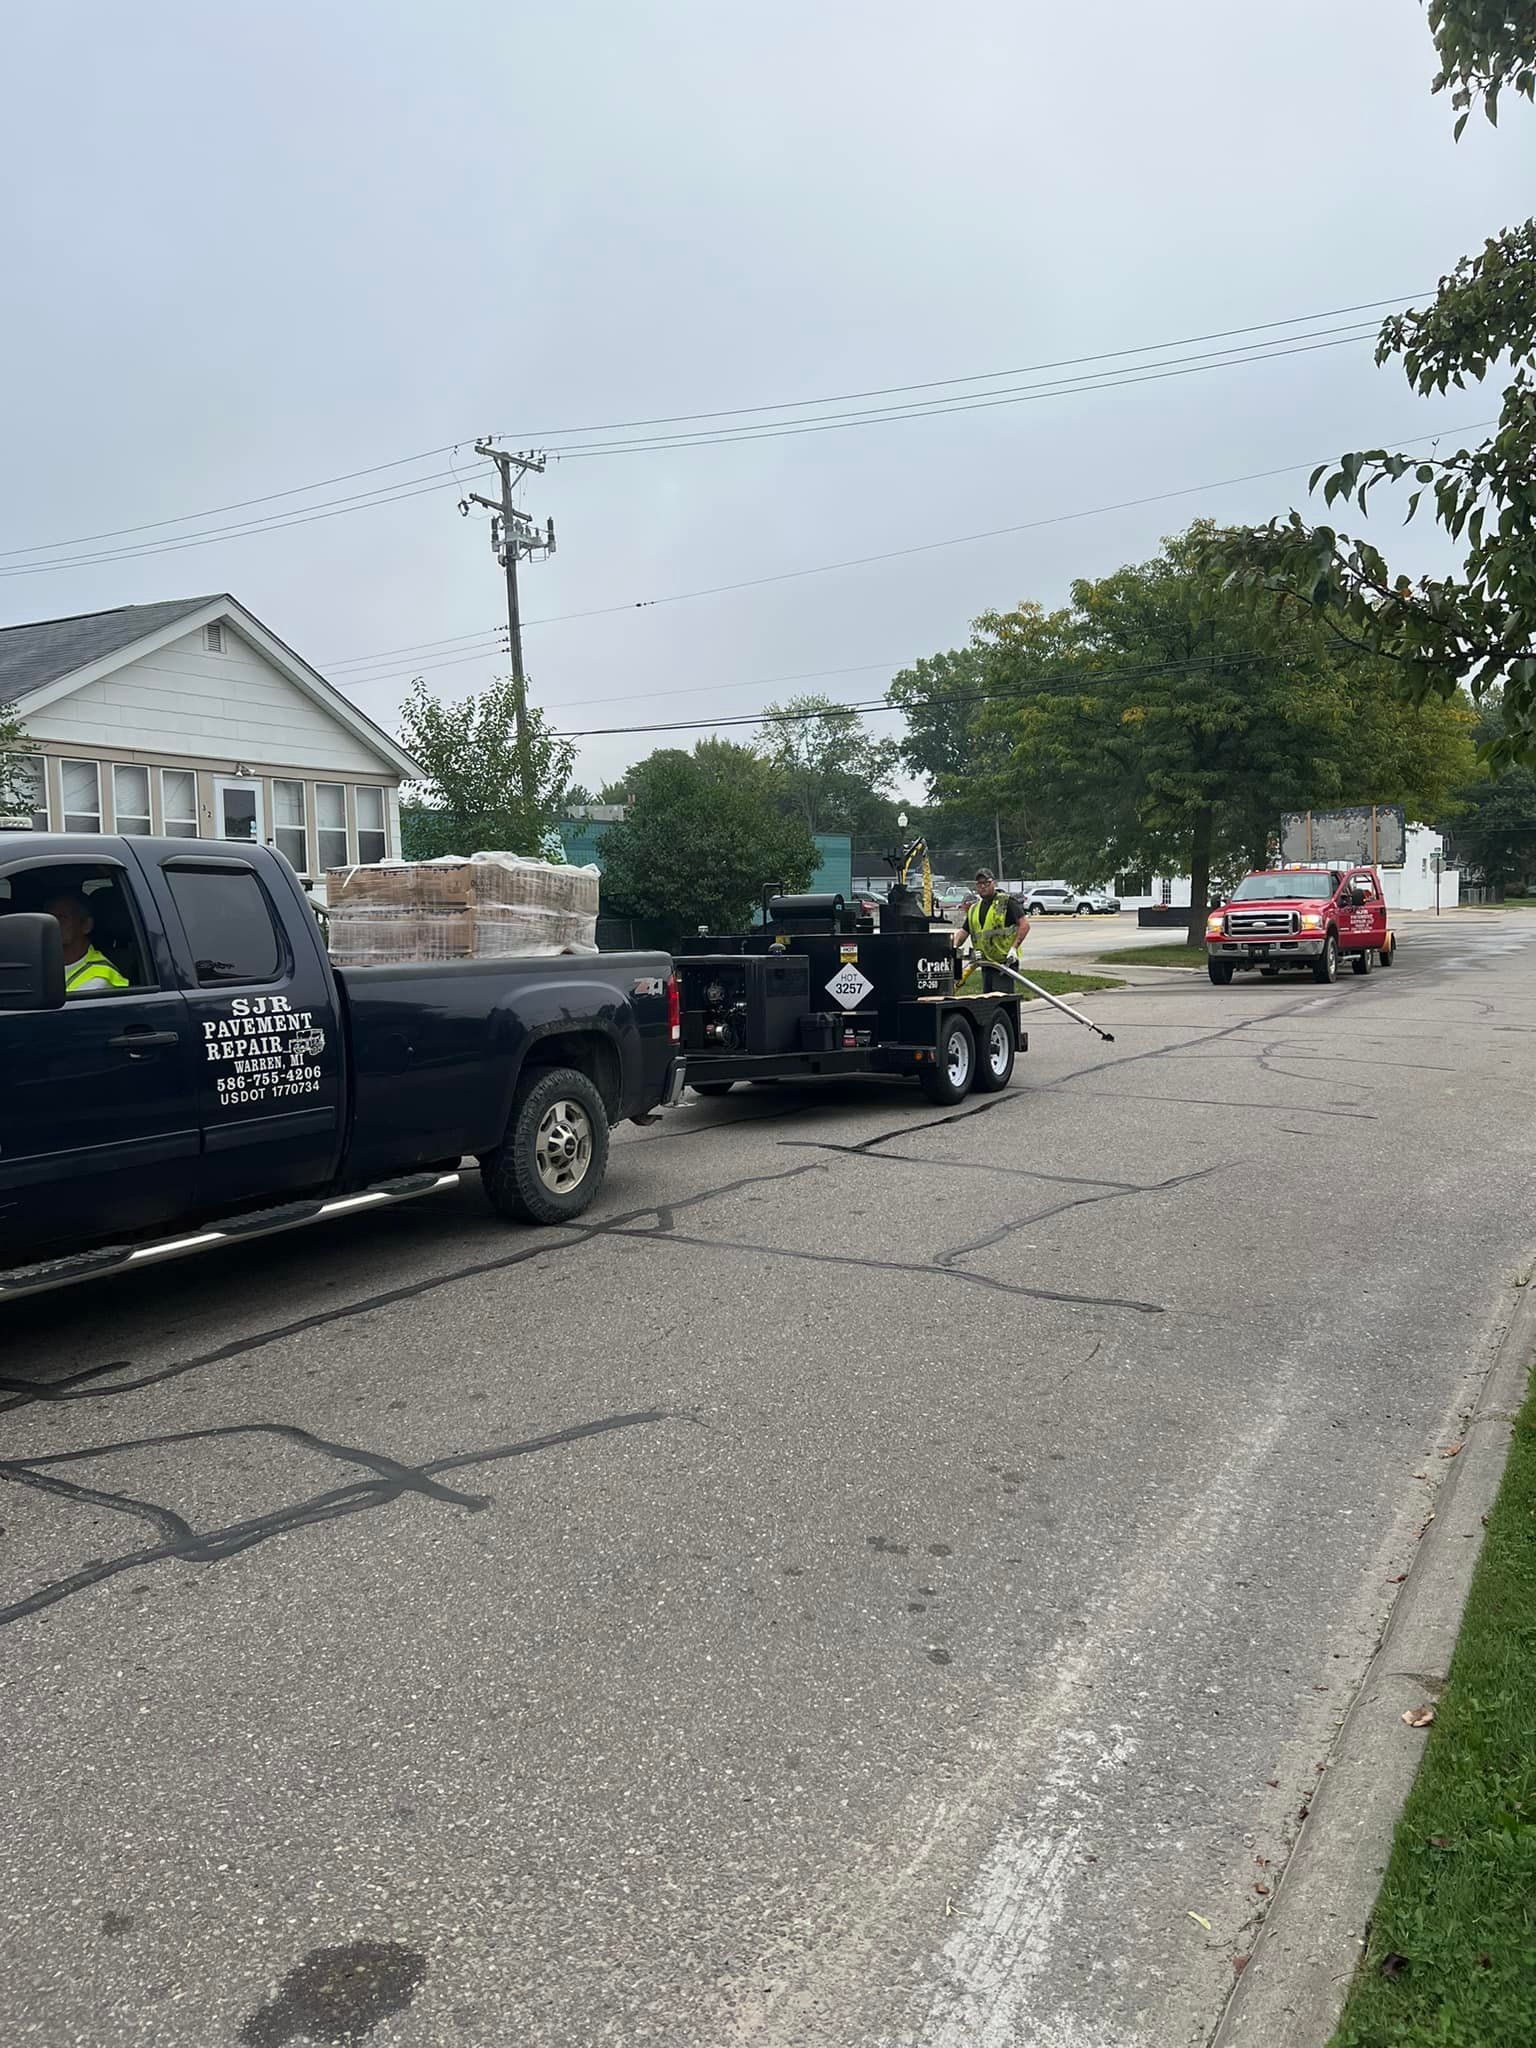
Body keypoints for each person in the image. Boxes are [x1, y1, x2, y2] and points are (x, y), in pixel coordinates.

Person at [42, 890, 129, 995]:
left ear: (86, 925)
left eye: (62, 917)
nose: (53, 923)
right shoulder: (37, 962)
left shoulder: (98, 980)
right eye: (49, 917)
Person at [959, 869, 1030, 992]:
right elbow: (964, 932)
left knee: (1001, 1000)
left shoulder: (1006, 902)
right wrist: (951, 945)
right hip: (986, 963)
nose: (982, 886)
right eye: (979, 884)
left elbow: (1024, 925)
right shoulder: (974, 909)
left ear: (994, 883)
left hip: (1004, 963)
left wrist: (1014, 949)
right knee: (989, 1001)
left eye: (986, 882)